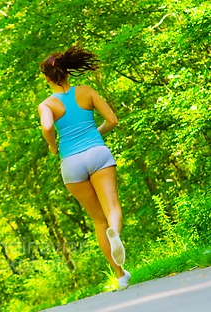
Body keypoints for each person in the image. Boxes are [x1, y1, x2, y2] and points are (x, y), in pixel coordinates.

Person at [38, 46, 131, 290]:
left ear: (48, 78)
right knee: (112, 208)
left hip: (71, 163)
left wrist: (51, 146)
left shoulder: (47, 105)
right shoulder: (87, 91)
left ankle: (120, 277)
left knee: (98, 221)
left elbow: (47, 128)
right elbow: (112, 120)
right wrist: (95, 134)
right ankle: (116, 235)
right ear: (67, 73)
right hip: (97, 153)